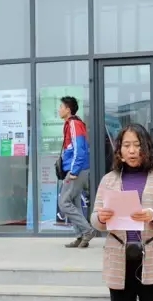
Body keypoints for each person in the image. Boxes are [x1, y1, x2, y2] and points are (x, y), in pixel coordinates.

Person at [91, 123, 153, 301]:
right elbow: (95, 219)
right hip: (119, 257)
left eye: (137, 145)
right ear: (119, 150)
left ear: (147, 147)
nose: (132, 150)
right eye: (126, 145)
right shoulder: (108, 180)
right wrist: (101, 218)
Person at [57, 96, 95, 248]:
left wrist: (74, 171)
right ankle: (80, 236)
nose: (59, 110)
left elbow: (80, 149)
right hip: (77, 169)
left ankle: (87, 230)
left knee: (64, 203)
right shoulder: (71, 124)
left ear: (68, 109)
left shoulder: (74, 124)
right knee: (74, 203)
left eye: (61, 107)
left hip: (77, 170)